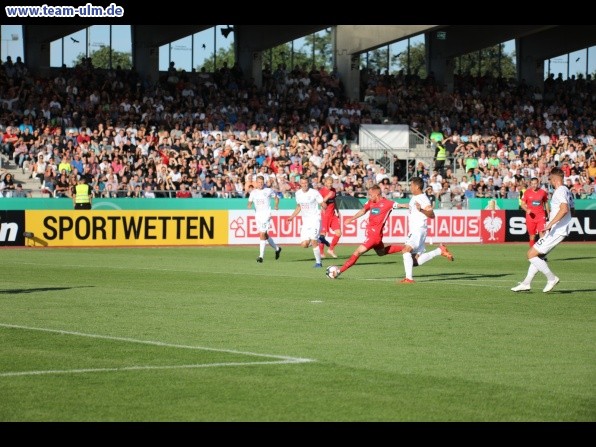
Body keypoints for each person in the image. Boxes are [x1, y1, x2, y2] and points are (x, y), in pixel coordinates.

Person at [511, 167, 573, 293]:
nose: (549, 181)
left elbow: (564, 209)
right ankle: (526, 283)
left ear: (555, 179)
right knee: (539, 256)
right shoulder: (567, 190)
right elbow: (572, 209)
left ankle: (551, 278)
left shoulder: (560, 191)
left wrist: (551, 224)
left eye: (550, 179)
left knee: (531, 254)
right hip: (559, 229)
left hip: (557, 230)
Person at [328, 184, 403, 278]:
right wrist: (351, 219)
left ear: (376, 195)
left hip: (374, 237)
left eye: (370, 195)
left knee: (357, 252)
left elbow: (400, 205)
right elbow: (363, 211)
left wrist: (415, 206)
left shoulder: (387, 203)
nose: (369, 196)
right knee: (381, 252)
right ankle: (404, 248)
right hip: (376, 237)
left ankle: (339, 271)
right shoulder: (371, 202)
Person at [395, 177, 454, 284]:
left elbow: (432, 214)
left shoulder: (423, 198)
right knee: (413, 262)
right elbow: (413, 208)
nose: (410, 187)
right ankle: (439, 250)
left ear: (417, 187)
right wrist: (402, 206)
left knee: (405, 250)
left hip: (418, 230)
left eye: (411, 185)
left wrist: (421, 210)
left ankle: (409, 279)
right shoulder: (415, 197)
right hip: (417, 230)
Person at [287, 176, 326, 268]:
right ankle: (321, 239)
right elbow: (299, 206)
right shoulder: (298, 194)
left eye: (306, 183)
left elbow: (322, 203)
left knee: (313, 240)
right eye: (302, 183)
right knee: (304, 245)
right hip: (306, 221)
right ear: (300, 183)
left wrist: (324, 206)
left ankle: (318, 263)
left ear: (308, 183)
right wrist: (292, 216)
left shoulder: (314, 193)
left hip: (315, 219)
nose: (304, 185)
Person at [247, 175, 282, 263]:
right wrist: (249, 205)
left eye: (262, 182)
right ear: (256, 183)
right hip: (258, 216)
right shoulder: (253, 192)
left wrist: (276, 205)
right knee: (265, 235)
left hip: (266, 215)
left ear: (264, 183)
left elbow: (276, 198)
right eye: (259, 182)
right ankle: (277, 248)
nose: (260, 184)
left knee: (262, 234)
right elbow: (250, 202)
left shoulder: (268, 190)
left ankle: (261, 256)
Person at [520, 177, 549, 247]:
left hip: (541, 216)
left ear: (538, 183)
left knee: (542, 234)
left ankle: (542, 253)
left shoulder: (543, 192)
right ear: (530, 184)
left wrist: (548, 213)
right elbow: (522, 204)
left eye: (535, 183)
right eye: (532, 184)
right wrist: (527, 210)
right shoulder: (527, 192)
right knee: (532, 236)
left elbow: (546, 203)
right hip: (530, 217)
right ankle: (532, 254)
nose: (534, 185)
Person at [318, 176, 342, 258]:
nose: (330, 185)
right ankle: (321, 253)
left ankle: (330, 249)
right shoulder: (321, 191)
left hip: (333, 215)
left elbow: (334, 201)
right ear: (325, 183)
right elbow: (320, 202)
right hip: (325, 215)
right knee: (323, 234)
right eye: (328, 183)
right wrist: (328, 196)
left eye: (331, 183)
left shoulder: (333, 190)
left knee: (338, 233)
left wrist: (337, 210)